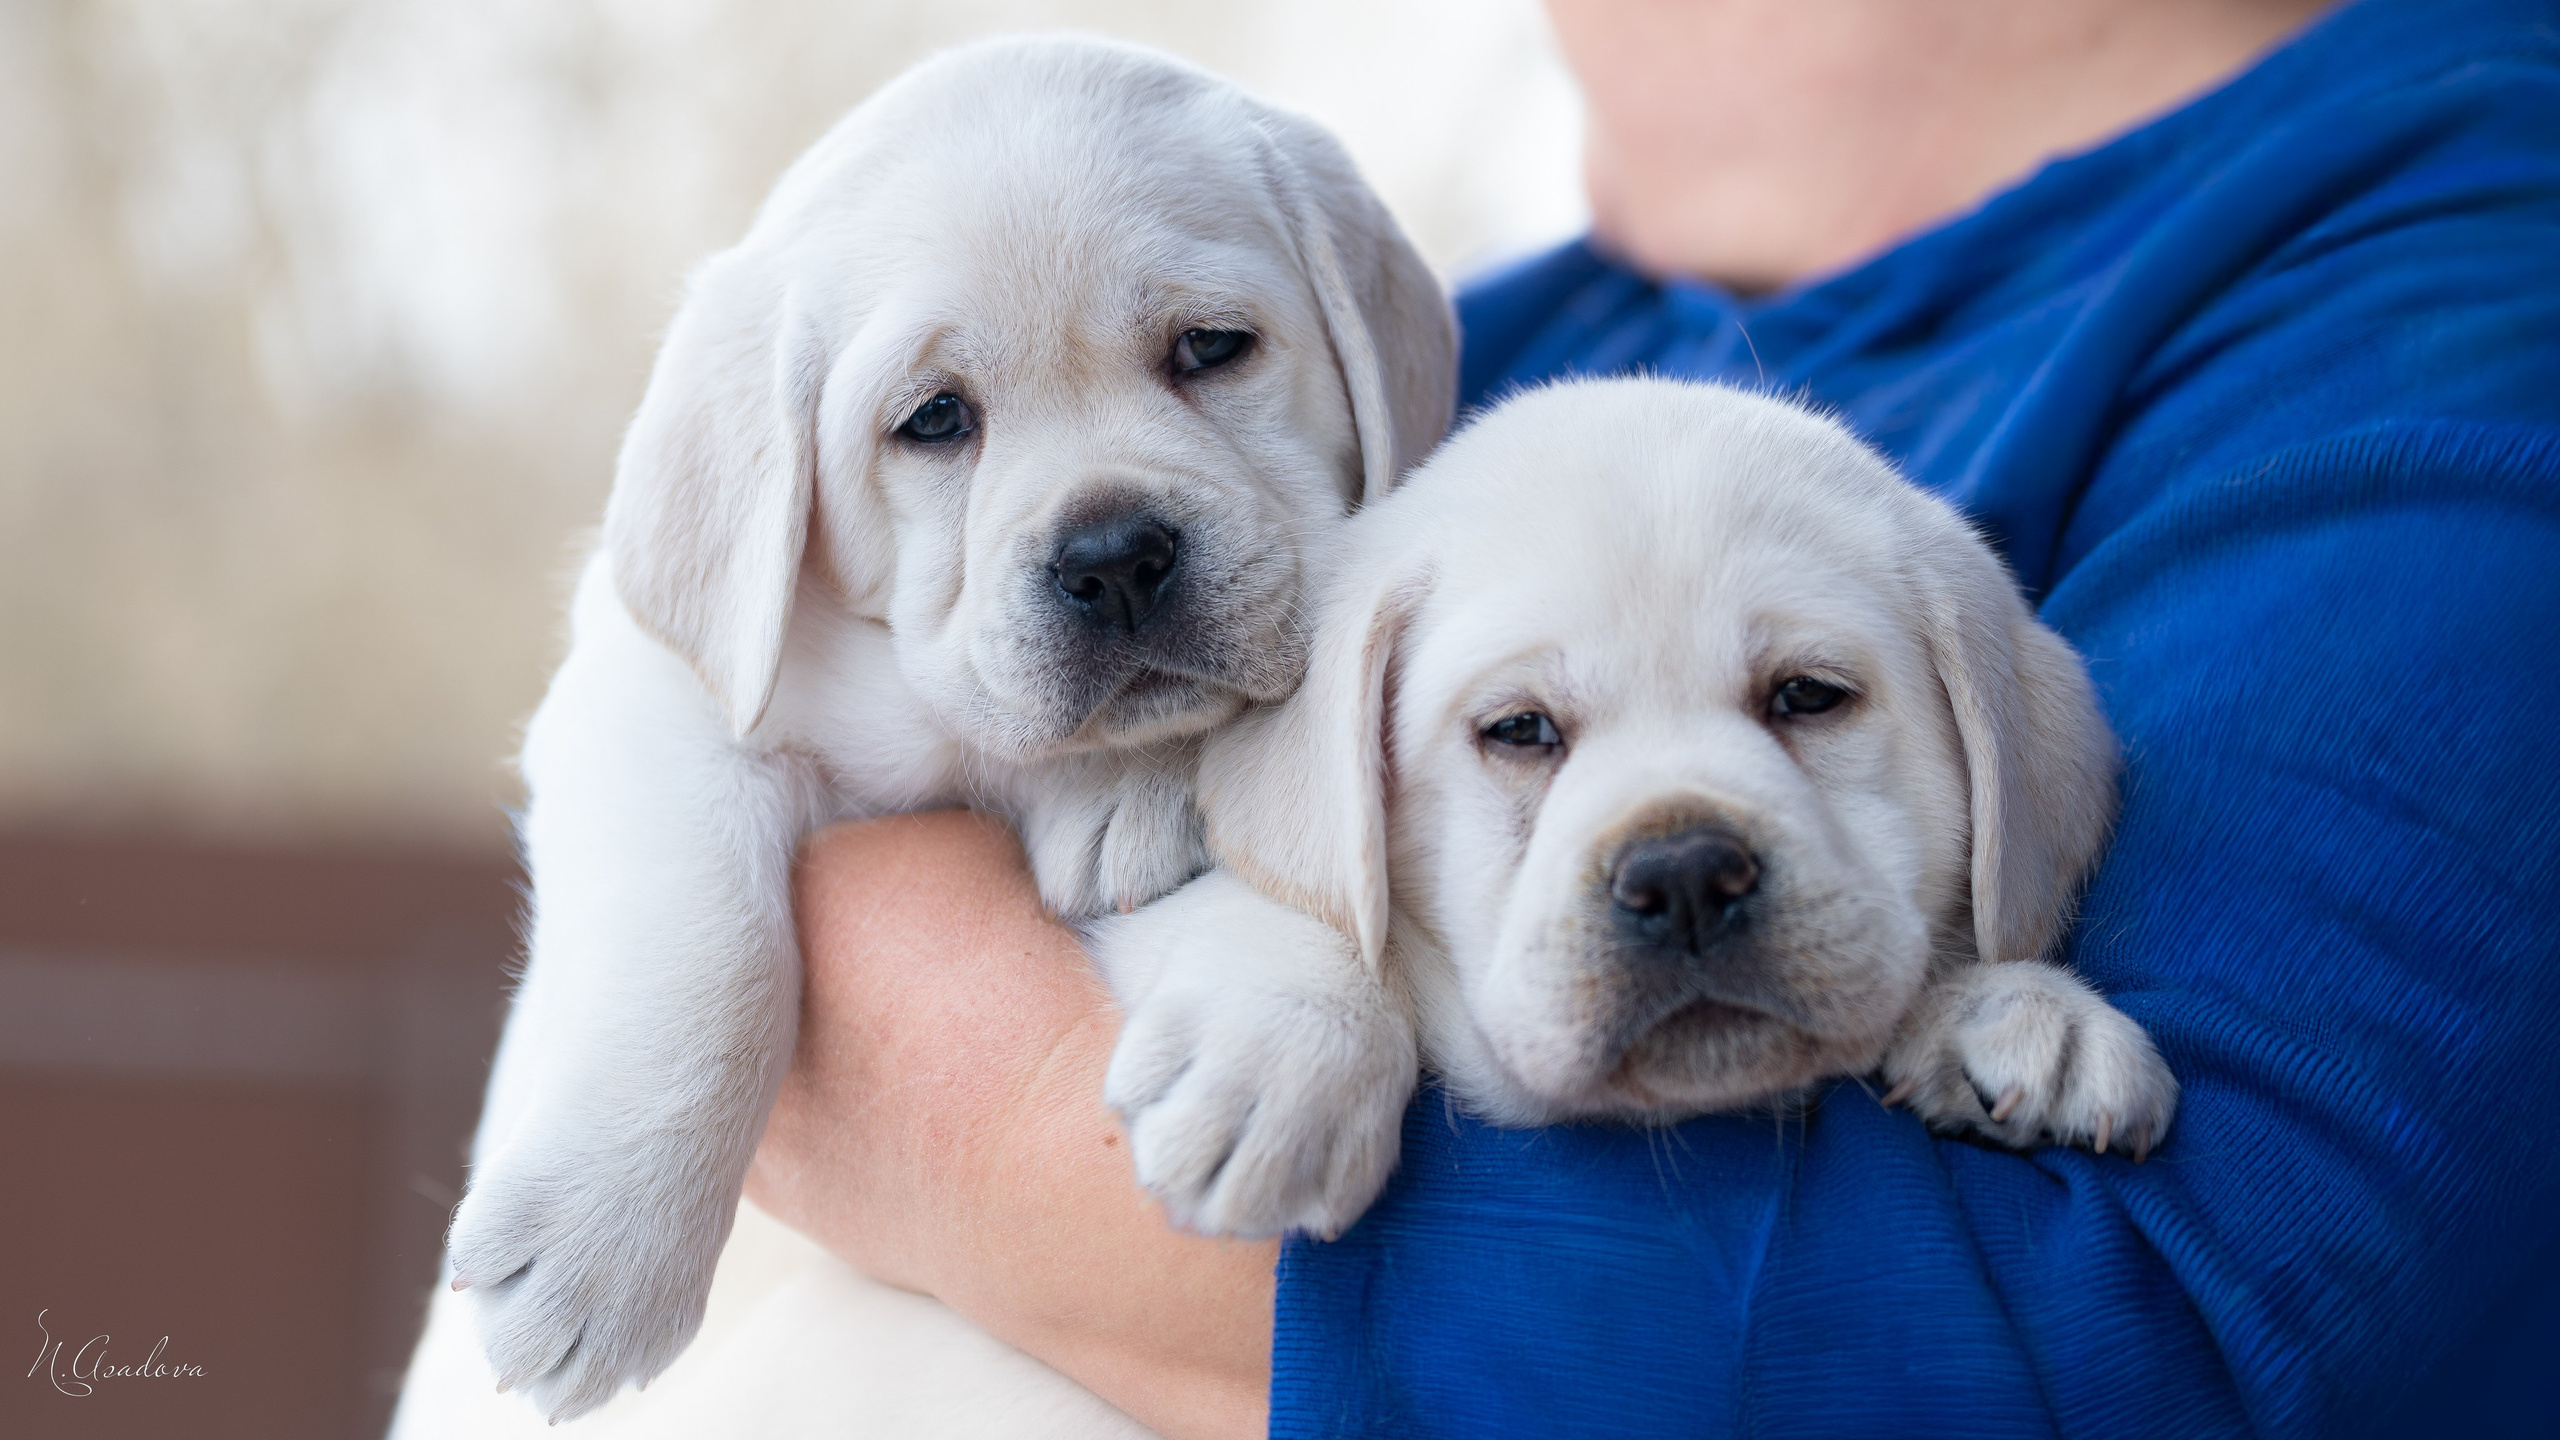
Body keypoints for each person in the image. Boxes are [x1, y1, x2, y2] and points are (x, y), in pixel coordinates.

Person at [742, 0, 2560, 1434]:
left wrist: (963, 1095)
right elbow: (712, 756)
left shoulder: (2457, 300)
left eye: (1809, 698)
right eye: (1521, 733)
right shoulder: (1431, 358)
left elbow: (2107, 1344)